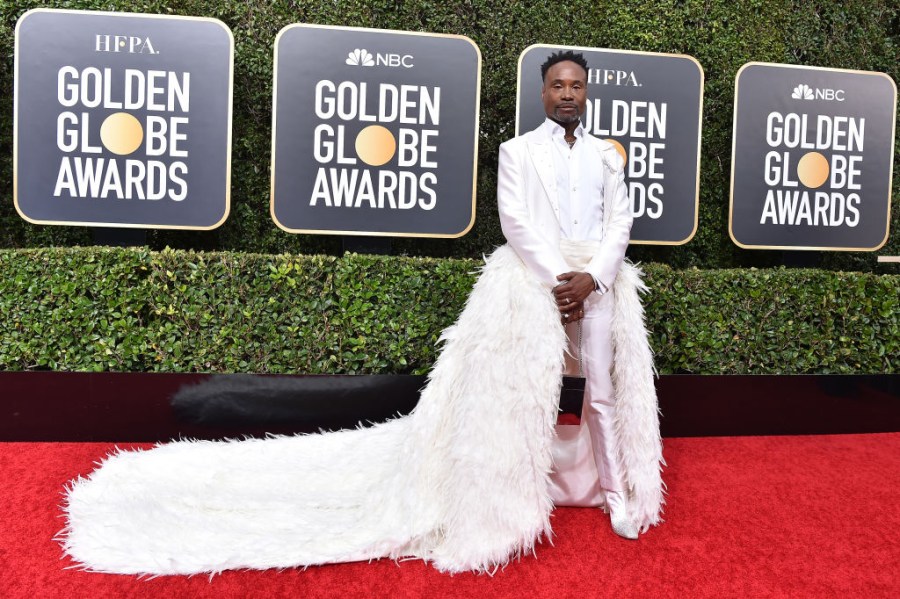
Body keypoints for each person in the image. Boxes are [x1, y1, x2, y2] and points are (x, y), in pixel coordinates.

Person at [497, 50, 641, 539]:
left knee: (599, 394)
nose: (567, 94)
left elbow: (620, 221)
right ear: (543, 93)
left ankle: (616, 498)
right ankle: (525, 495)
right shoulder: (516, 151)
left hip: (595, 287)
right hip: (540, 285)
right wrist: (563, 280)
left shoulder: (607, 155)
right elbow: (514, 221)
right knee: (533, 390)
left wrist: (592, 278)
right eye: (558, 85)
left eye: (576, 86)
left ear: (586, 93)